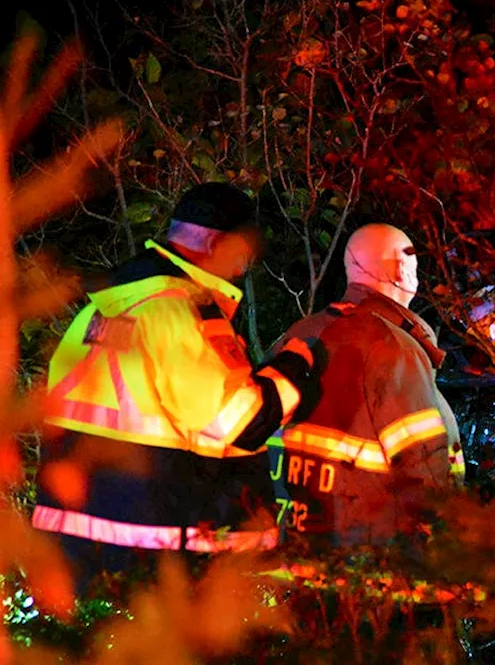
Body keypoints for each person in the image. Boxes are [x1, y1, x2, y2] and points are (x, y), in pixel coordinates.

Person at [31, 182, 318, 592]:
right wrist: (294, 365)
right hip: (153, 552)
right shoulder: (179, 308)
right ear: (218, 243)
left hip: (79, 549)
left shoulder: (107, 306)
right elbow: (243, 425)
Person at [268, 223, 462, 551]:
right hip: (369, 549)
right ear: (400, 269)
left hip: (291, 534)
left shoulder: (300, 332)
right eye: (413, 264)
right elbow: (425, 463)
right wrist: (449, 533)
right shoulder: (392, 347)